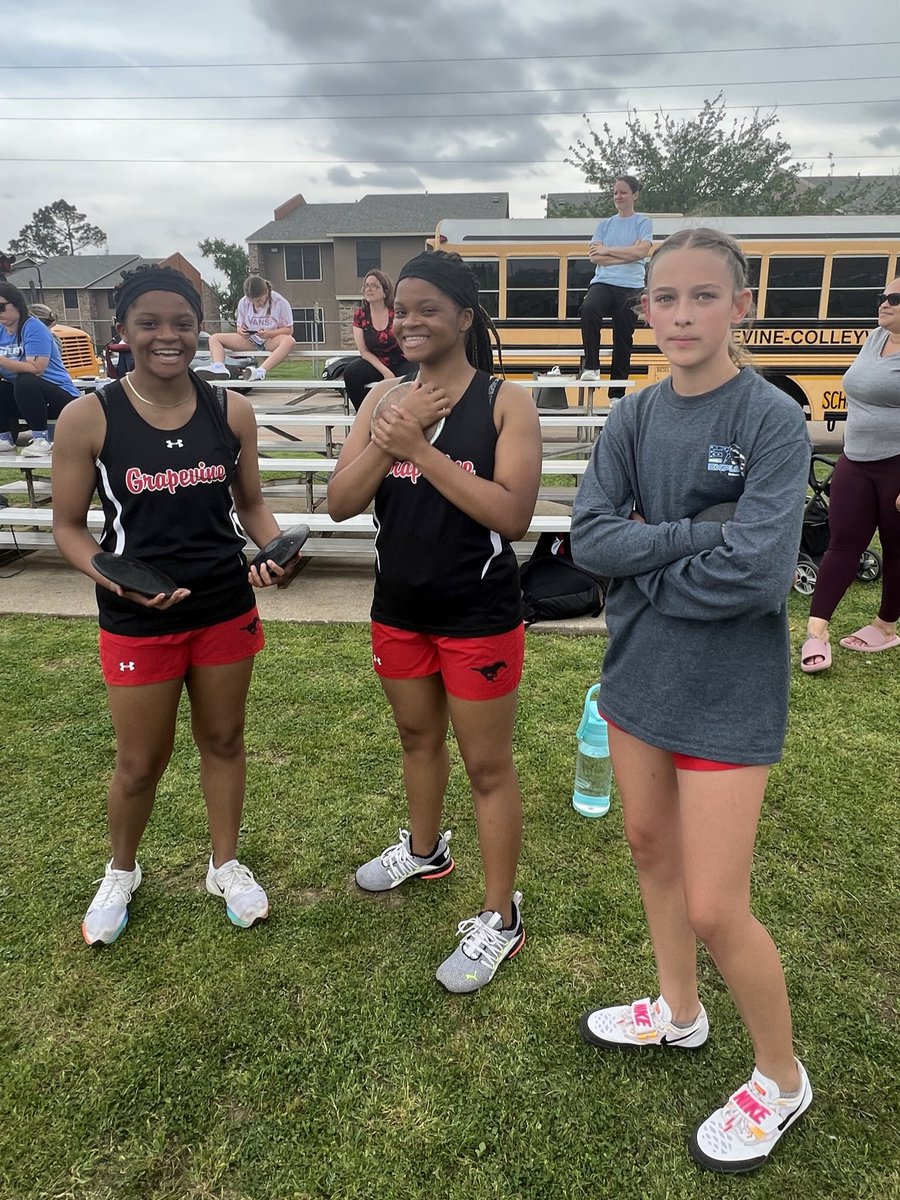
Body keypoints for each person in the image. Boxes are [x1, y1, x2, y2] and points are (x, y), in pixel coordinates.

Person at [570, 228, 813, 1174]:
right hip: (638, 681)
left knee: (717, 906)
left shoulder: (771, 421)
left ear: (739, 307)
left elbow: (756, 577)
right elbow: (590, 540)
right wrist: (688, 538)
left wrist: (647, 558)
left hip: (728, 695)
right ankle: (679, 1014)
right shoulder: (631, 420)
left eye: (702, 297)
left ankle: (782, 1080)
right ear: (644, 310)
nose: (680, 315)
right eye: (664, 299)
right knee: (648, 849)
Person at [52, 264, 301, 946]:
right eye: (150, 324)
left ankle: (225, 864)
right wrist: (112, 577)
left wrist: (278, 549)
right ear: (124, 332)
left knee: (223, 740)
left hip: (223, 606)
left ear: (200, 329)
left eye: (183, 324)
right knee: (140, 762)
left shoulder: (231, 410)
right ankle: (121, 871)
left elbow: (250, 506)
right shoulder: (88, 416)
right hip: (138, 617)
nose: (169, 336)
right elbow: (69, 527)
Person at [327, 250, 542, 993]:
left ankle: (500, 918)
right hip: (400, 610)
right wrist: (394, 436)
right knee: (417, 739)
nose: (409, 322)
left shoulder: (505, 401)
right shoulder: (381, 399)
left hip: (478, 613)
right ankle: (425, 850)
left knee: (487, 766)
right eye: (401, 309)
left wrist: (420, 448)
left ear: (463, 317)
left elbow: (512, 513)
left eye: (427, 309)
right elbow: (340, 502)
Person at [800, 280, 900, 672]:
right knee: (842, 543)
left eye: (894, 299)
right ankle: (816, 632)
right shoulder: (876, 338)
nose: (884, 304)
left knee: (896, 548)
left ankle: (886, 626)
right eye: (882, 297)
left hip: (897, 464)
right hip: (855, 460)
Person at [578, 176, 652, 398]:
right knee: (589, 309)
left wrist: (608, 250)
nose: (618, 196)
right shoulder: (605, 224)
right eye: (615, 193)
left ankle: (616, 395)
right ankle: (592, 366)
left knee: (623, 336)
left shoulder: (643, 222)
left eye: (624, 192)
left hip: (631, 285)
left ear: (635, 195)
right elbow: (594, 257)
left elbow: (642, 252)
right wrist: (627, 253)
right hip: (603, 282)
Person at [0, 282, 79, 457]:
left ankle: (41, 440)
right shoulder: (0, 330)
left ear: (16, 304)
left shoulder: (33, 327)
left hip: (62, 398)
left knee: (25, 379)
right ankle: (4, 439)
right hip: (28, 401)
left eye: (1, 307)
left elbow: (37, 368)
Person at [198, 275, 296, 383]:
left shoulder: (280, 302)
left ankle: (260, 371)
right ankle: (218, 367)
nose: (257, 304)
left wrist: (269, 334)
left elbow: (288, 330)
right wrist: (241, 331)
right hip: (251, 340)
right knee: (214, 338)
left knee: (289, 341)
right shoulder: (243, 302)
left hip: (271, 340)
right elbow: (239, 327)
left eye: (259, 300)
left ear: (266, 292)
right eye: (253, 301)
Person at [344, 269, 413, 412]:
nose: (369, 289)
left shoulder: (396, 312)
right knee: (351, 373)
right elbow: (364, 351)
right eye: (366, 286)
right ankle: (367, 415)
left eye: (374, 286)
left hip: (401, 359)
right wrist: (385, 372)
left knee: (415, 375)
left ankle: (405, 416)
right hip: (375, 362)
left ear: (385, 291)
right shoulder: (360, 315)